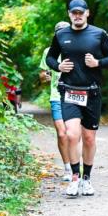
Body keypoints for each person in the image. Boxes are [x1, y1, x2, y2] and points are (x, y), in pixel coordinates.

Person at [45, 0, 108, 197]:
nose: (77, 16)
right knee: (71, 134)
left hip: (92, 91)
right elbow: (50, 57)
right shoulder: (61, 35)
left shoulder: (99, 34)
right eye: (73, 13)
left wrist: (97, 63)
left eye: (81, 12)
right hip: (69, 90)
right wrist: (58, 66)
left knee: (88, 137)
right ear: (69, 14)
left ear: (87, 13)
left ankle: (87, 179)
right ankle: (75, 178)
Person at [39, 21, 74, 180]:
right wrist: (44, 77)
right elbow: (42, 74)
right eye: (59, 32)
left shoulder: (76, 48)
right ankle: (67, 168)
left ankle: (75, 166)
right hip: (56, 95)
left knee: (73, 133)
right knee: (61, 133)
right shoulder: (49, 51)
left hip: (74, 95)